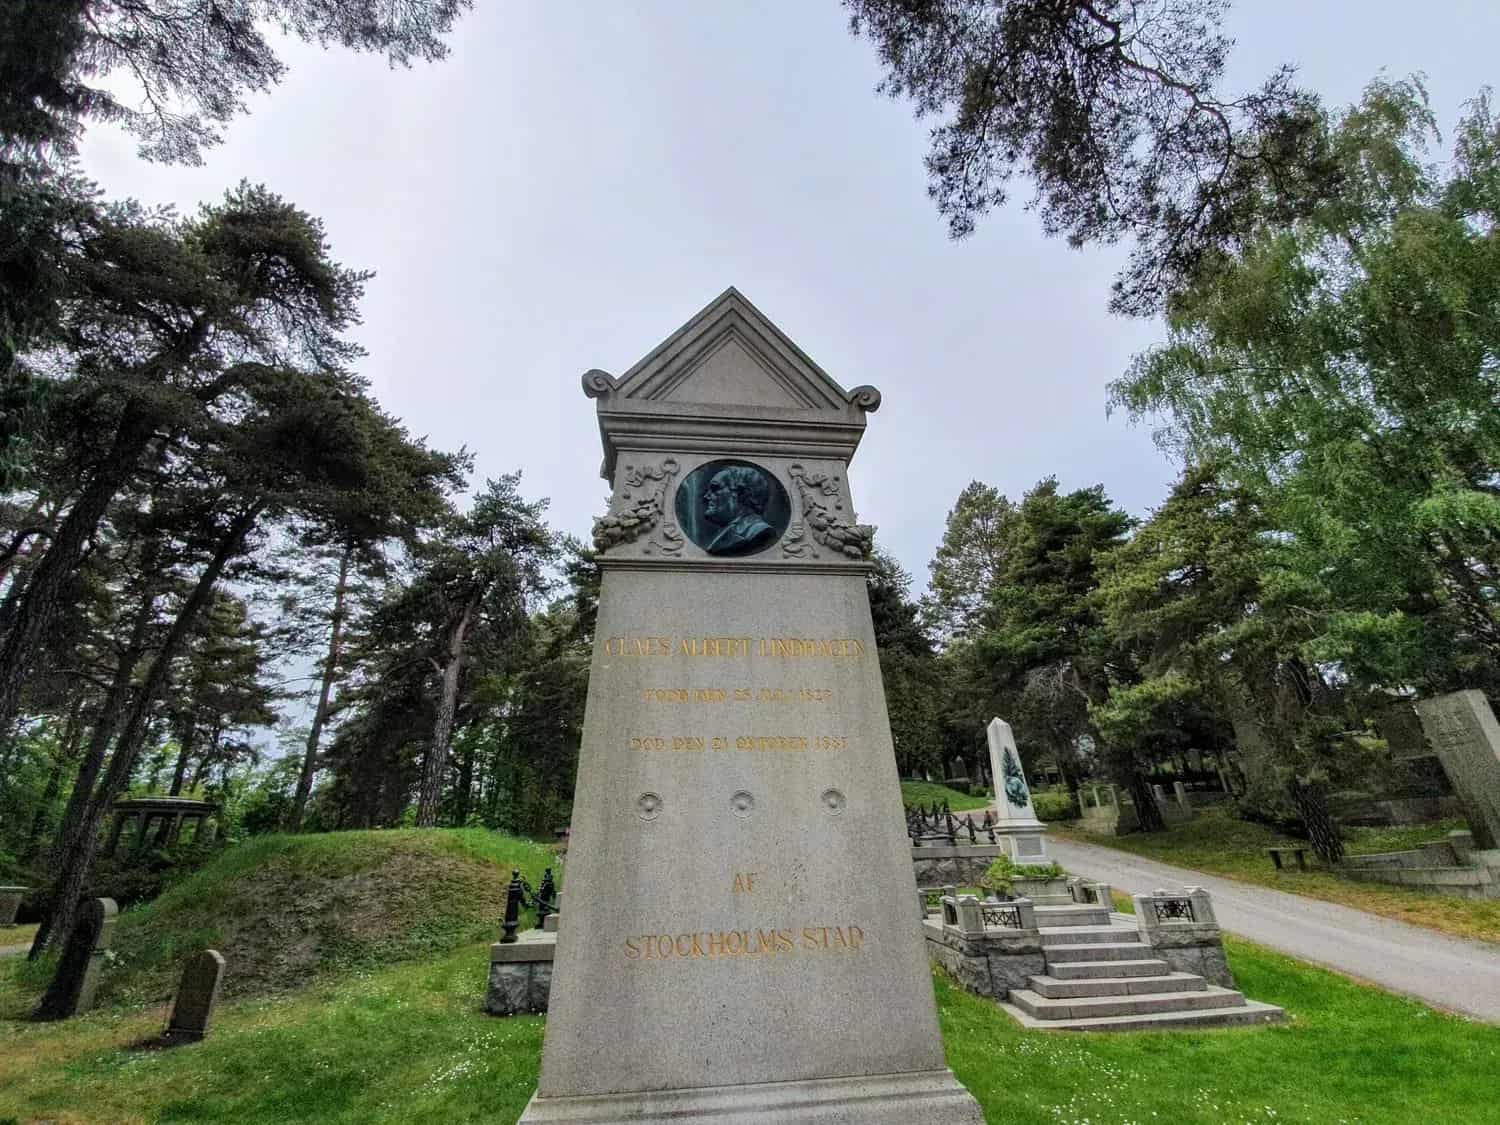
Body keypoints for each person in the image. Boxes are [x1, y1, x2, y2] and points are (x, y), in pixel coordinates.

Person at [702, 465, 777, 555]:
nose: (706, 496)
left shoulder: (758, 531)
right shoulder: (727, 529)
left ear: (741, 494)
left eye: (715, 488)